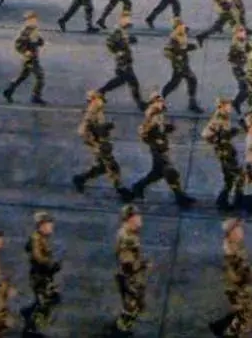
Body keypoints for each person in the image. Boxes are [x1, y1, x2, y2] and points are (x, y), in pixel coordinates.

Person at [131, 94, 195, 206]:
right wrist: (155, 141)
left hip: (161, 148)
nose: (162, 103)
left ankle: (138, 187)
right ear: (154, 103)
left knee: (157, 173)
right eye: (159, 101)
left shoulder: (159, 114)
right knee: (170, 172)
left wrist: (167, 128)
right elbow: (144, 132)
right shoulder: (152, 114)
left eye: (162, 101)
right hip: (158, 150)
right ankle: (180, 198)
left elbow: (159, 128)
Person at [73, 90, 133, 200]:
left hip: (101, 143)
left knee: (102, 167)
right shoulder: (93, 110)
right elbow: (84, 130)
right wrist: (95, 143)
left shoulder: (96, 110)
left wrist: (106, 127)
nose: (102, 101)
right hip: (100, 144)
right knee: (113, 166)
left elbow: (96, 127)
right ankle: (121, 191)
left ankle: (80, 179)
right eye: (99, 98)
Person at [208, 218, 252, 337]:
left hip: (239, 286)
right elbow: (236, 275)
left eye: (241, 230)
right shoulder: (231, 253)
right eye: (238, 230)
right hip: (237, 288)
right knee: (246, 314)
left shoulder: (237, 245)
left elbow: (244, 264)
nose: (242, 233)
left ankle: (220, 326)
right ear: (231, 233)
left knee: (241, 311)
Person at [21, 212, 61, 338]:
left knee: (50, 298)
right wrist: (50, 264)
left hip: (45, 275)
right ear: (41, 225)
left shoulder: (41, 238)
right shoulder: (36, 239)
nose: (51, 229)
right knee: (45, 302)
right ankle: (32, 328)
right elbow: (38, 257)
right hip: (39, 276)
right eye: (49, 226)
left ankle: (29, 316)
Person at [113, 205, 150, 335]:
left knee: (134, 303)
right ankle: (122, 328)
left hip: (130, 275)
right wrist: (142, 265)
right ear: (130, 219)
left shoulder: (128, 233)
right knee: (133, 304)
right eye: (137, 217)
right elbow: (127, 262)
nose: (140, 220)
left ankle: (123, 325)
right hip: (130, 276)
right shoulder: (128, 238)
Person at [99, 10, 146, 112]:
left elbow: (125, 40)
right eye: (128, 24)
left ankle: (102, 91)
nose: (129, 26)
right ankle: (140, 104)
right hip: (122, 61)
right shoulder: (117, 32)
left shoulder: (122, 31)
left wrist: (130, 40)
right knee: (131, 82)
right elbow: (110, 43)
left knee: (125, 81)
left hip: (126, 59)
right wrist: (117, 51)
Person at [203, 98, 244, 211]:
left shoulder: (224, 117)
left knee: (230, 179)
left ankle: (223, 202)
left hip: (226, 152)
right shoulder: (219, 118)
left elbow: (222, 135)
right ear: (222, 106)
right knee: (239, 176)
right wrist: (223, 139)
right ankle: (237, 202)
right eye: (228, 106)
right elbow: (208, 135)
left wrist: (229, 134)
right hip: (225, 154)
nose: (230, 108)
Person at [161, 19, 203, 113]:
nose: (183, 28)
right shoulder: (174, 39)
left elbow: (184, 46)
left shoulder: (182, 34)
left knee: (183, 81)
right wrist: (183, 52)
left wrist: (192, 46)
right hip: (179, 64)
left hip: (183, 62)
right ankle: (161, 100)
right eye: (181, 27)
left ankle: (192, 103)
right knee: (178, 82)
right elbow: (171, 51)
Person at [4, 11, 46, 105]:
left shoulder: (34, 30)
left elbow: (38, 41)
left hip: (32, 57)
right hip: (29, 59)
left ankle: (9, 90)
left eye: (35, 19)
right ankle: (35, 96)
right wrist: (26, 51)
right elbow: (18, 44)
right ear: (28, 21)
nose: (35, 21)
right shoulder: (26, 31)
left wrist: (39, 41)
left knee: (22, 76)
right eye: (32, 20)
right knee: (40, 76)